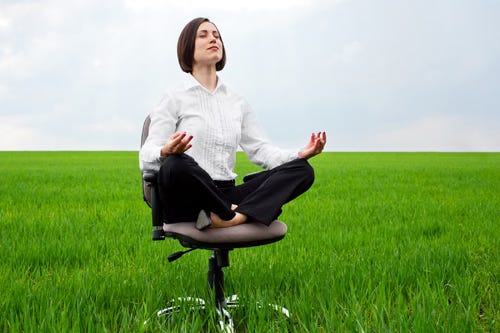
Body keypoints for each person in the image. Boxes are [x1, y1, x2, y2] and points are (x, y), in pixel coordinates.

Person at [139, 17, 326, 229]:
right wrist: (164, 151)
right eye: (204, 35)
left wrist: (300, 154)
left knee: (302, 170)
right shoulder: (173, 97)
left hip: (227, 192)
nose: (213, 39)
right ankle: (238, 212)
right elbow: (146, 157)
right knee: (175, 164)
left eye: (216, 35)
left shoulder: (236, 101)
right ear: (187, 47)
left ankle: (232, 216)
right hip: (189, 197)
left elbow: (261, 151)